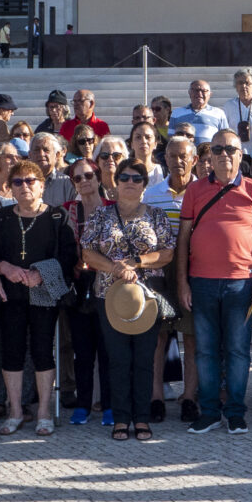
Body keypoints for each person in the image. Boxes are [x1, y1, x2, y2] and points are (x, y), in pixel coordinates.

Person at [177, 129, 252, 435]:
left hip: (242, 283)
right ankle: (209, 413)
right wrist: (182, 283)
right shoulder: (194, 190)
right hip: (202, 282)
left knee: (238, 351)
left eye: (230, 149)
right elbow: (183, 240)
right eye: (217, 149)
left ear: (240, 154)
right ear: (209, 156)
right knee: (205, 351)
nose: (223, 155)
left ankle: (235, 412)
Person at [0, 160, 79, 437]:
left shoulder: (57, 216)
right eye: (18, 181)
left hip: (43, 295)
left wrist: (41, 273)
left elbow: (69, 255)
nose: (25, 186)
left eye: (31, 180)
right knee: (12, 351)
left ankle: (44, 412)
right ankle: (15, 412)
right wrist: (4, 267)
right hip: (9, 295)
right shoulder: (1, 218)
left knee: (42, 350)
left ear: (42, 185)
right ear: (10, 188)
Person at [81, 163, 177, 441]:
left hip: (146, 298)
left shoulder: (157, 215)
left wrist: (136, 262)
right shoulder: (101, 215)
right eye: (124, 177)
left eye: (137, 178)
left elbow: (167, 253)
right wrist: (116, 268)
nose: (130, 182)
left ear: (145, 184)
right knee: (118, 359)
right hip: (109, 297)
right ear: (116, 182)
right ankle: (121, 418)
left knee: (145, 358)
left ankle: (142, 417)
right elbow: (87, 252)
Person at [143, 132, 201, 423]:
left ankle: (189, 397)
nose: (178, 161)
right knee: (159, 336)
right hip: (160, 269)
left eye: (183, 156)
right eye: (172, 156)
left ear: (194, 159)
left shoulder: (202, 191)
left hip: (194, 268)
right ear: (164, 158)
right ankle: (156, 397)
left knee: (191, 337)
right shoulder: (152, 194)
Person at [62, 158, 112, 424]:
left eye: (89, 175)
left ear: (99, 177)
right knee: (82, 350)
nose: (84, 181)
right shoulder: (67, 210)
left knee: (107, 349)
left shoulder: (113, 208)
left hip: (109, 285)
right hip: (79, 285)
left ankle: (109, 405)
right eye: (78, 178)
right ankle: (83, 404)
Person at [221, 68, 252, 145]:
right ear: (236, 86)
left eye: (247, 83)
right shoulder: (229, 105)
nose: (244, 86)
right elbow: (224, 130)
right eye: (240, 83)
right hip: (236, 149)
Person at [170, 79, 222, 145]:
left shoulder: (219, 113)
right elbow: (170, 137)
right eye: (196, 90)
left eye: (204, 91)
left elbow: (224, 136)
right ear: (189, 92)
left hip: (208, 151)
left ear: (210, 94)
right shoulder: (177, 113)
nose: (199, 94)